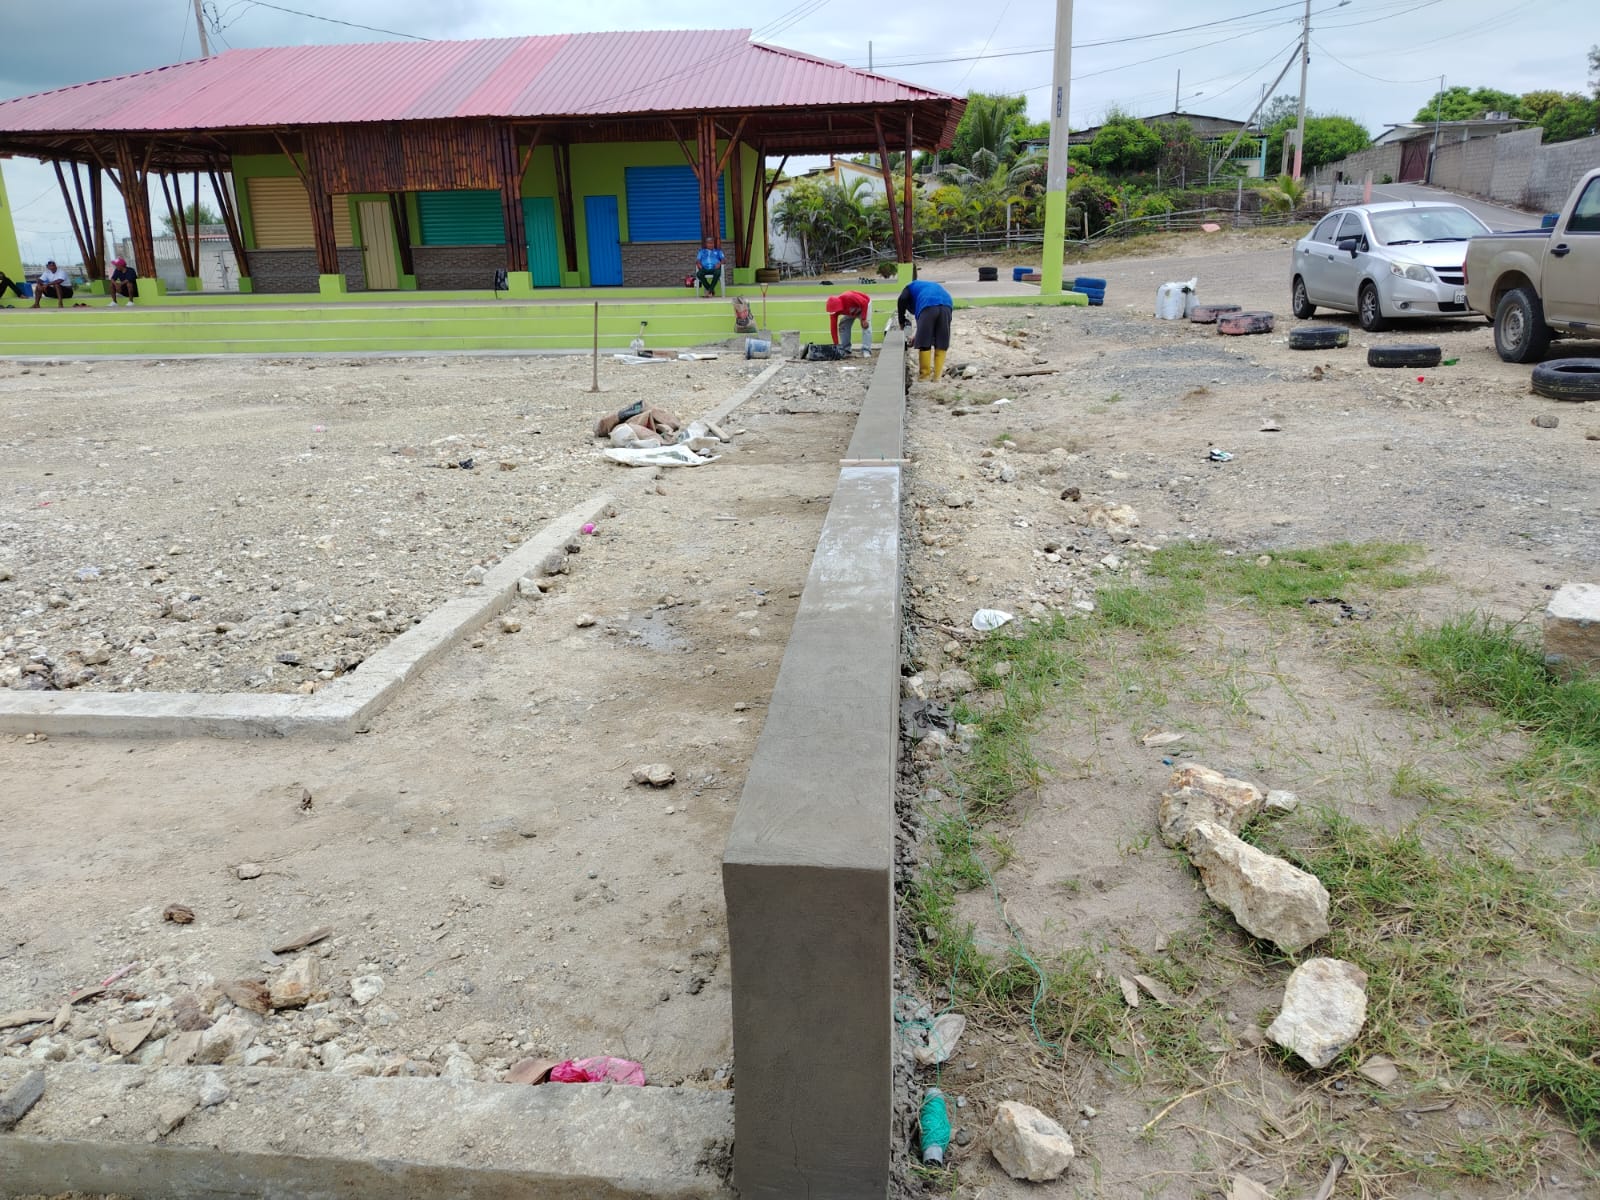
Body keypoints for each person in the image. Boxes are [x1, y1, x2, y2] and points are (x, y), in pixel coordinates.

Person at [896, 277, 954, 381]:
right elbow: (924, 328)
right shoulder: (922, 288)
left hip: (928, 304)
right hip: (947, 304)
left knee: (924, 342)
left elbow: (902, 299)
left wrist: (901, 321)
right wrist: (917, 336)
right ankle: (937, 377)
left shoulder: (909, 287)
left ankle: (924, 376)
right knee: (942, 341)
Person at [825, 290, 872, 356]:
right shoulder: (834, 312)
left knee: (866, 326)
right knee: (843, 325)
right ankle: (846, 349)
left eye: (836, 311)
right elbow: (833, 328)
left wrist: (863, 319)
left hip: (864, 306)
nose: (835, 313)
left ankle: (866, 350)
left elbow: (864, 302)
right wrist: (836, 345)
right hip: (851, 311)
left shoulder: (849, 297)